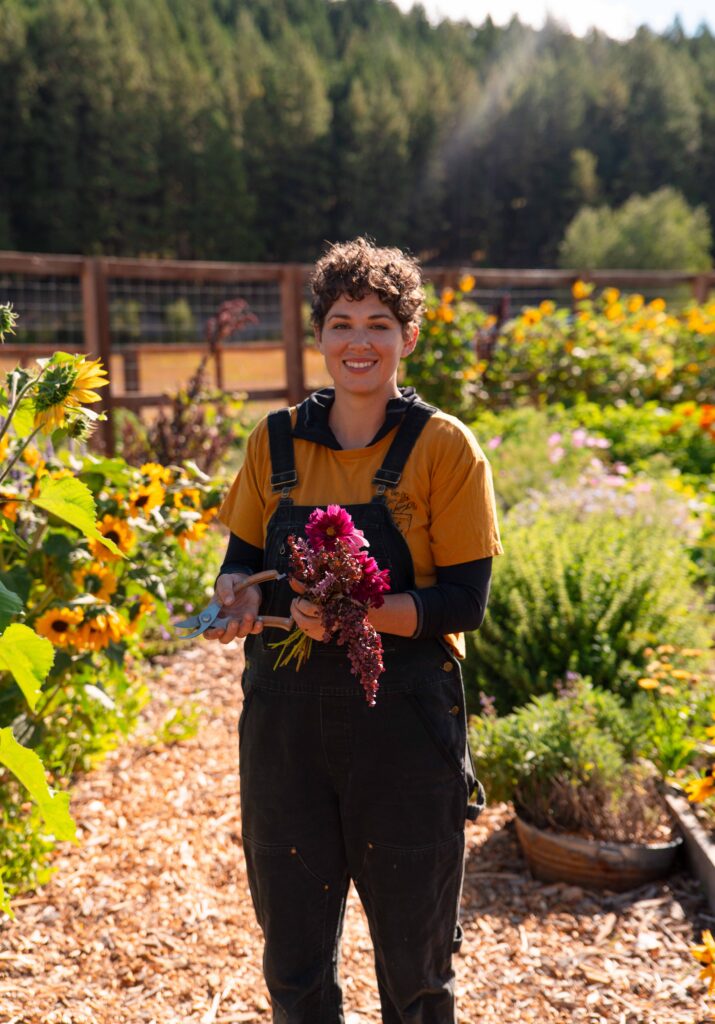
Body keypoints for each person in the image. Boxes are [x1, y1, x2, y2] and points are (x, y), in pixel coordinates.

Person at [205, 237, 504, 1023]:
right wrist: (235, 597)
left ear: (409, 337)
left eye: (379, 322)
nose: (358, 341)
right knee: (295, 965)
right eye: (341, 322)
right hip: (283, 730)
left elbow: (463, 603)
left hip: (402, 725)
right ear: (319, 336)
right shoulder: (272, 441)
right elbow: (236, 564)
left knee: (415, 969)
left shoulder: (444, 449)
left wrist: (351, 611)